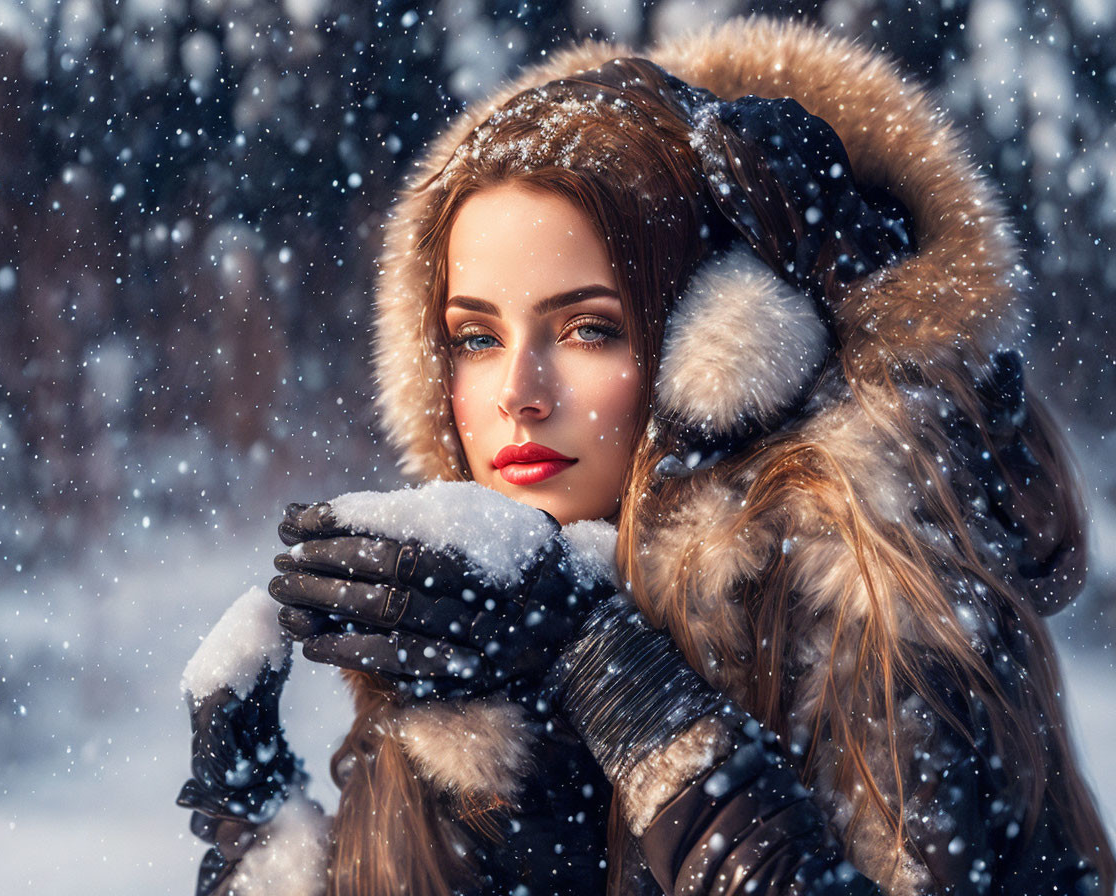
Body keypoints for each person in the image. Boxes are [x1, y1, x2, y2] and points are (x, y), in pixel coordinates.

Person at [176, 17, 1115, 896]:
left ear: (715, 351)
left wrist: (617, 682)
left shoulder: (871, 591)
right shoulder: (472, 623)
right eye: (474, 337)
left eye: (587, 329)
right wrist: (261, 837)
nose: (518, 392)